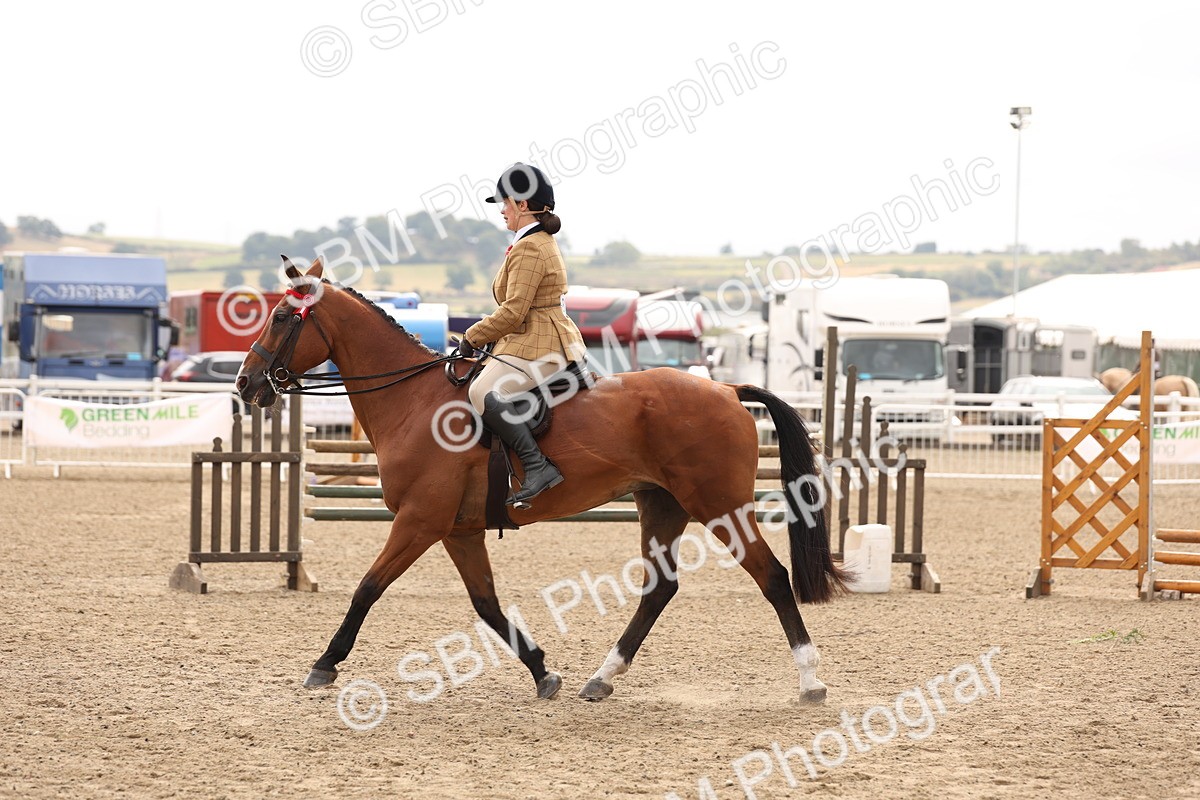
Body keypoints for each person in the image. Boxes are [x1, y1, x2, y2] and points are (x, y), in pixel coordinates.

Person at [460, 163, 587, 506]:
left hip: (542, 344)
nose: (501, 211)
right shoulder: (532, 241)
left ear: (522, 205)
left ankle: (537, 466)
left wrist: (472, 335)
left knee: (483, 392)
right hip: (530, 338)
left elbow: (514, 310)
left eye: (505, 203)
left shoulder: (531, 247)